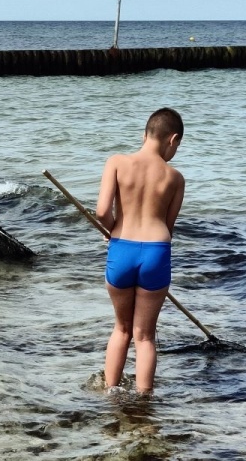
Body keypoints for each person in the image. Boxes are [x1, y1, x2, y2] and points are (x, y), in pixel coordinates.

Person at [96, 107, 185, 395]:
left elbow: (101, 212)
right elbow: (168, 227)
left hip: (122, 247)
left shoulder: (117, 162)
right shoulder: (175, 178)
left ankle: (111, 393)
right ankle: (144, 402)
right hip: (156, 251)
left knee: (121, 329)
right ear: (172, 140)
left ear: (144, 134)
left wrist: (113, 232)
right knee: (145, 336)